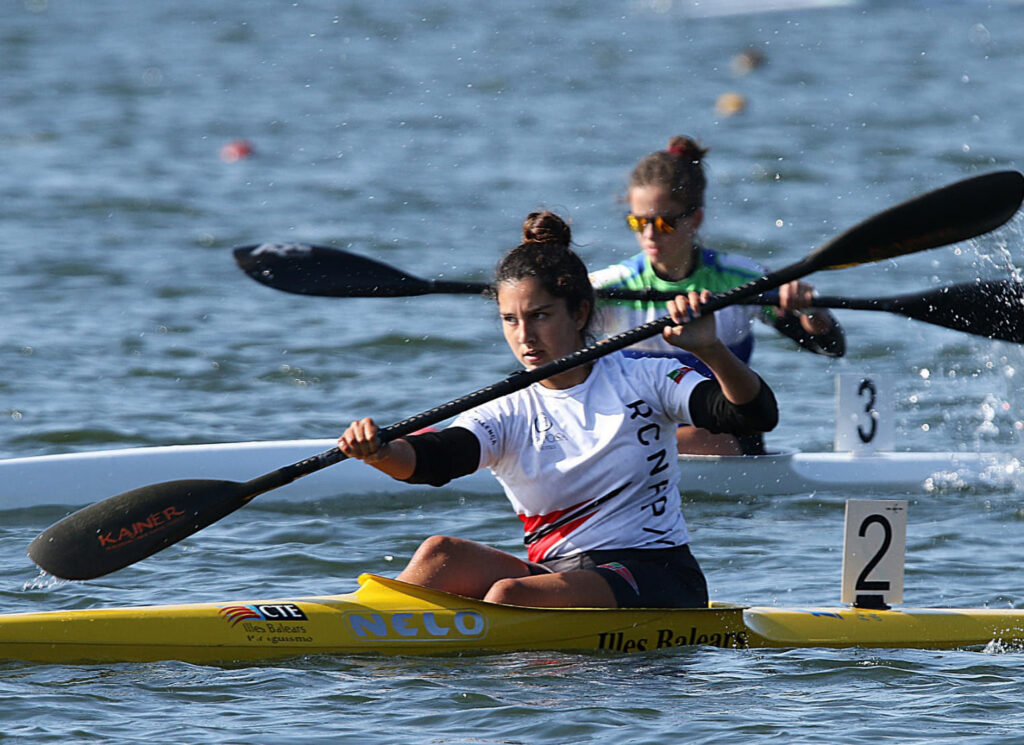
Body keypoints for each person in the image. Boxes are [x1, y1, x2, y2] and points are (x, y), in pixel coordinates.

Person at [337, 211, 778, 610]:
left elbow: (753, 416)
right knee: (440, 554)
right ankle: (367, 640)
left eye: (540, 316)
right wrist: (380, 453)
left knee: (510, 595)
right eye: (510, 319)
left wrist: (711, 349)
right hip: (560, 577)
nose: (525, 336)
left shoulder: (646, 377)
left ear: (580, 311)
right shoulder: (506, 408)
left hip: (657, 576)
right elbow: (435, 460)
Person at [589, 136, 845, 457]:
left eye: (664, 223)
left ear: (695, 219)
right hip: (639, 433)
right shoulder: (609, 285)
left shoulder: (740, 280)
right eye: (638, 223)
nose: (649, 235)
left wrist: (812, 314)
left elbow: (831, 348)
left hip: (723, 433)